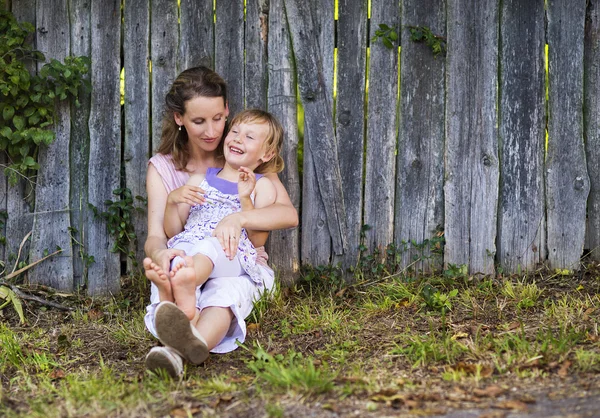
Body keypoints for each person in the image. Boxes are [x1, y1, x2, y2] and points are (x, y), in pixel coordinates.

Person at [142, 67, 298, 377]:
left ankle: (175, 296)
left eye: (218, 119)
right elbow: (163, 234)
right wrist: (164, 253)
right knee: (186, 266)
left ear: (227, 111)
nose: (214, 131)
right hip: (187, 256)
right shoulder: (178, 172)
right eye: (199, 122)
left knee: (221, 292)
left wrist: (241, 211)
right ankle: (181, 345)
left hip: (231, 259)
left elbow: (282, 216)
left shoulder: (249, 165)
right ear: (179, 118)